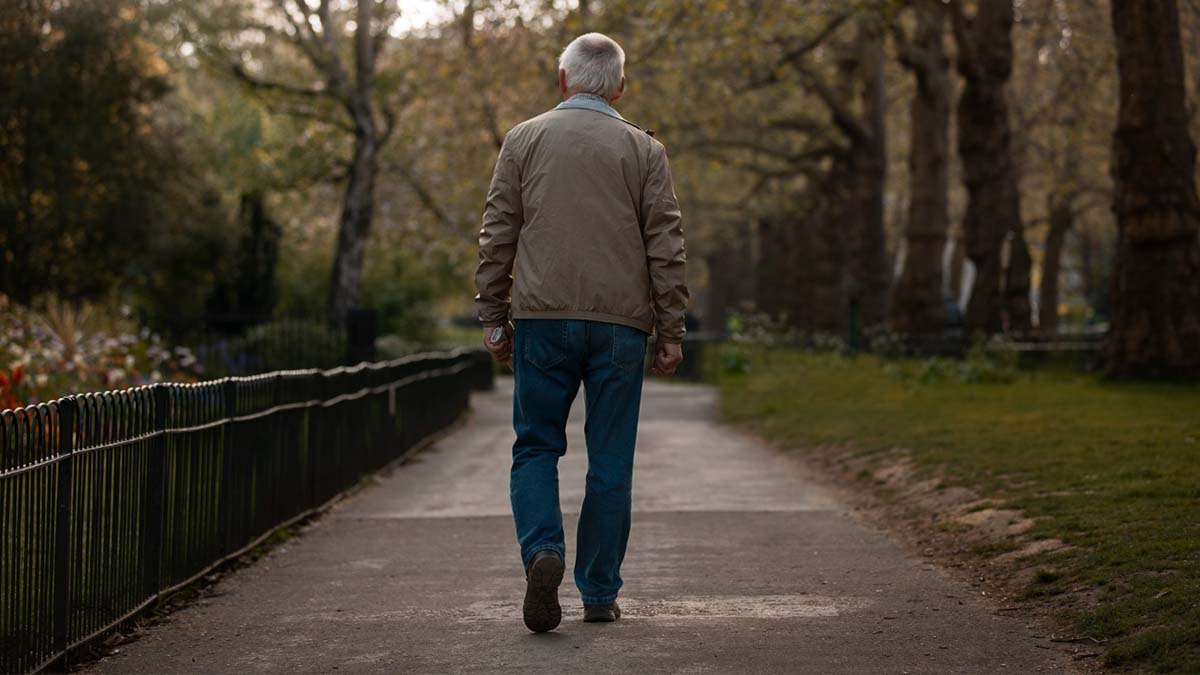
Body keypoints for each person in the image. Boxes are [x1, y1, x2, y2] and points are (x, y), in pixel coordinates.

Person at [473, 32, 689, 633]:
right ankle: (599, 593)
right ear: (620, 86)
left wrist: (494, 316)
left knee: (537, 445)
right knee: (611, 459)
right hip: (621, 328)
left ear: (563, 80)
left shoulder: (523, 139)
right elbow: (665, 246)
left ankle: (543, 552)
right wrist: (670, 328)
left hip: (541, 320)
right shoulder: (645, 151)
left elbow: (497, 234)